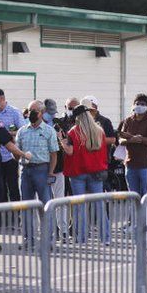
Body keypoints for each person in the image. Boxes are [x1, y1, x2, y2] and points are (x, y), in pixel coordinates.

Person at [59, 104, 110, 244]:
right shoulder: (99, 131)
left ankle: (81, 238)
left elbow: (69, 152)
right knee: (99, 206)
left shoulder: (73, 132)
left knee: (79, 207)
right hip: (96, 172)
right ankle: (105, 238)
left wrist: (62, 141)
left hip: (77, 172)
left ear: (76, 118)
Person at [117, 93, 147, 197]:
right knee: (133, 195)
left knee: (146, 194)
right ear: (133, 105)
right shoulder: (128, 120)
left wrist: (140, 139)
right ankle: (136, 214)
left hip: (146, 164)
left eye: (142, 104)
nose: (139, 106)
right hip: (130, 164)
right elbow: (121, 139)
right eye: (137, 103)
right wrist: (132, 139)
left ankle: (146, 213)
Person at [16, 104, 59, 204]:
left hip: (42, 170)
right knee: (26, 205)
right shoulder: (22, 131)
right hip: (25, 170)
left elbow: (53, 154)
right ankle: (27, 220)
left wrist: (51, 172)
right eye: (29, 110)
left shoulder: (49, 131)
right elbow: (16, 152)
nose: (31, 113)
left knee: (45, 203)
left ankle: (47, 220)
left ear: (42, 112)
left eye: (34, 110)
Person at [0, 88, 25, 202]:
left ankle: (16, 217)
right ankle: (3, 217)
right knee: (1, 189)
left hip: (11, 156)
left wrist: (6, 133)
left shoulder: (14, 112)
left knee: (13, 188)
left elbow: (22, 130)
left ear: (2, 98)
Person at [81, 95, 120, 190]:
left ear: (96, 107)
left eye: (91, 109)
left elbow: (112, 139)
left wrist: (95, 140)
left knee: (100, 189)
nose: (88, 112)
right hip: (84, 161)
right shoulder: (80, 121)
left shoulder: (105, 121)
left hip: (100, 161)